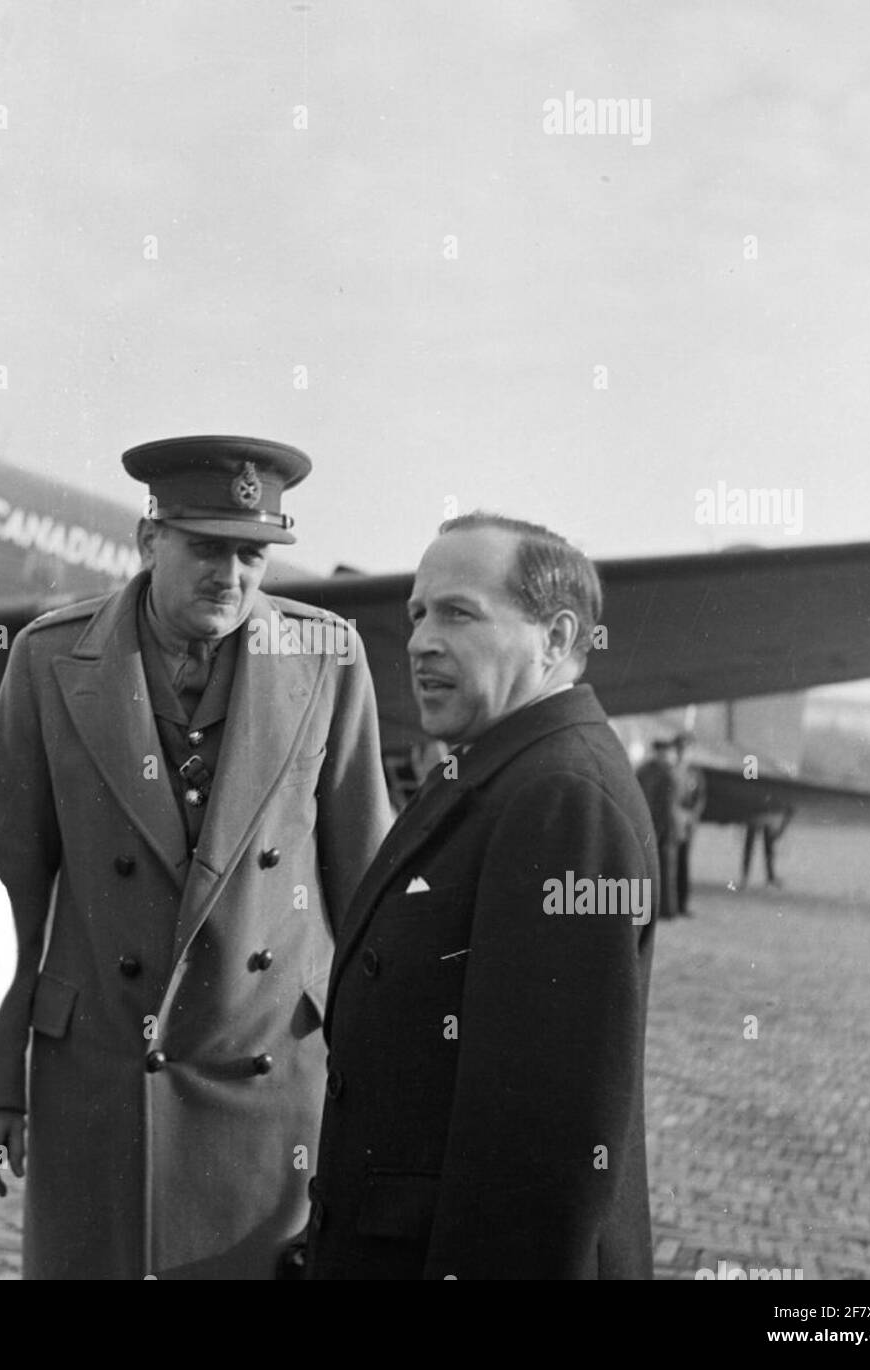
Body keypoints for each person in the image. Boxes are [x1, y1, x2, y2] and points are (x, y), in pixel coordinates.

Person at [0, 436, 391, 1279]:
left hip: (266, 1082)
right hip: (102, 1080)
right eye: (205, 548)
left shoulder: (327, 659)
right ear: (149, 539)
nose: (229, 576)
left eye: (251, 554)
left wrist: (380, 1093)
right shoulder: (50, 661)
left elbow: (370, 892)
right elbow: (2, 891)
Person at [306, 513, 656, 1280]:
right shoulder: (500, 772)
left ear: (557, 639)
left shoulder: (563, 800)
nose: (421, 640)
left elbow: (541, 1148)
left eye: (459, 613)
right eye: (417, 614)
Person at [636, 738, 680, 920]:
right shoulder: (652, 772)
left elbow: (667, 806)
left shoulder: (653, 772)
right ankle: (662, 908)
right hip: (655, 825)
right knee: (659, 869)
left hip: (661, 827)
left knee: (663, 869)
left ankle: (666, 909)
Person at [672, 731, 707, 917]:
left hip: (686, 823)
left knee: (683, 863)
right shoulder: (669, 771)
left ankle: (682, 903)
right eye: (679, 749)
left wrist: (693, 816)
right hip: (671, 822)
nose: (682, 752)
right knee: (668, 863)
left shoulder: (695, 773)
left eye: (685, 749)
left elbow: (700, 797)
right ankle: (667, 904)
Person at [740, 803, 794, 888]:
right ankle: (748, 876)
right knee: (762, 843)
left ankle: (747, 876)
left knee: (760, 843)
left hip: (760, 808)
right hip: (761, 807)